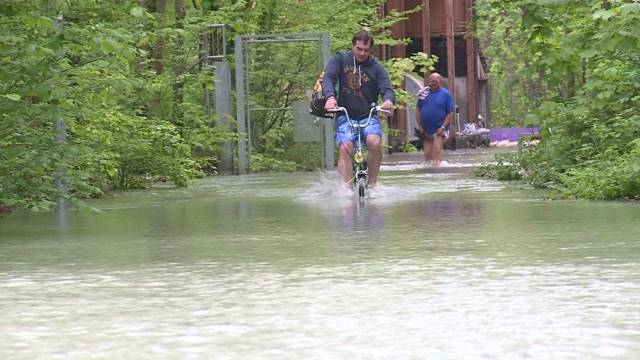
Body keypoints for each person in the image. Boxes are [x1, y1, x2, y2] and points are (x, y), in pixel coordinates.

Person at [322, 30, 395, 190]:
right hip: (344, 114)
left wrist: (388, 101)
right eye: (358, 49)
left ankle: (373, 183)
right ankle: (346, 188)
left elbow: (387, 88)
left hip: (368, 115)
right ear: (352, 46)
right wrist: (330, 97)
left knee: (375, 143)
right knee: (346, 146)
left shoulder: (377, 68)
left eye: (366, 50)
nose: (362, 53)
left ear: (370, 50)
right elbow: (328, 78)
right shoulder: (340, 59)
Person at [415, 72, 454, 166]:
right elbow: (418, 110)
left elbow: (450, 113)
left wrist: (443, 127)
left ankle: (438, 174)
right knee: (427, 157)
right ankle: (429, 176)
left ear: (440, 81)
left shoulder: (446, 94)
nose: (434, 83)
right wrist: (420, 126)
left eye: (436, 81)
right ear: (429, 81)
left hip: (440, 130)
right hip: (426, 130)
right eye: (432, 81)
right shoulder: (424, 93)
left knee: (436, 153)